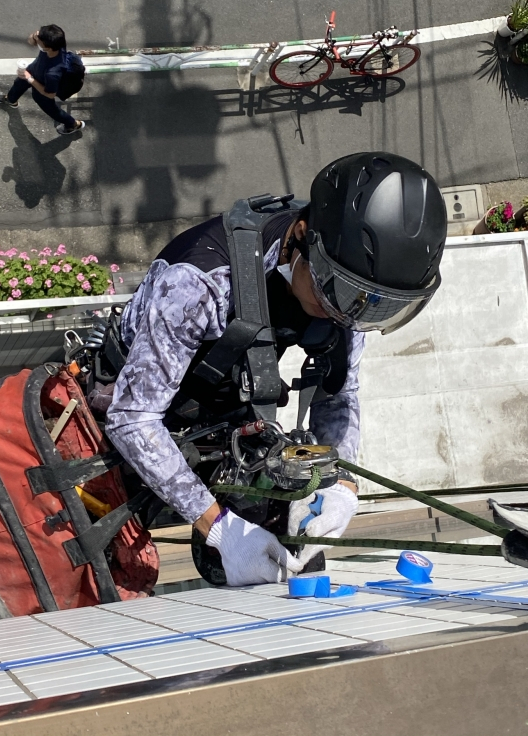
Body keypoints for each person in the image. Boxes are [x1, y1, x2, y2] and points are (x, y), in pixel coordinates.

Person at [105, 152, 448, 586]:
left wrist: (340, 484)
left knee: (294, 561)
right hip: (127, 414)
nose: (346, 315)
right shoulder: (199, 281)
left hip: (221, 413)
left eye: (374, 306)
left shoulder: (345, 295)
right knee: (107, 577)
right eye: (340, 293)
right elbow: (133, 418)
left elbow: (339, 393)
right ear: (301, 239)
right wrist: (217, 526)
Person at [0, 25, 85, 136]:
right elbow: (32, 40)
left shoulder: (53, 73)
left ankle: (73, 124)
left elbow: (49, 94)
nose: (36, 36)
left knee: (51, 110)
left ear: (47, 48)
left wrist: (29, 78)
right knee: (19, 83)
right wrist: (35, 38)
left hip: (42, 86)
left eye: (39, 38)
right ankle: (11, 100)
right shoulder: (58, 43)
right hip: (35, 70)